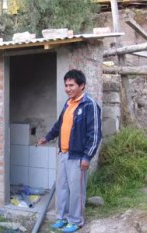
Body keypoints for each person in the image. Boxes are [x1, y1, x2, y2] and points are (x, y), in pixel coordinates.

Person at [38, 69, 102, 233]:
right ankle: (63, 217)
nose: (68, 88)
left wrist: (87, 157)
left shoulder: (89, 105)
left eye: (71, 85)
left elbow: (94, 135)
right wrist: (48, 137)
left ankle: (76, 221)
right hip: (63, 153)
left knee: (76, 191)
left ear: (82, 85)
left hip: (78, 156)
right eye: (66, 85)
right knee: (62, 188)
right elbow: (60, 125)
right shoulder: (68, 103)